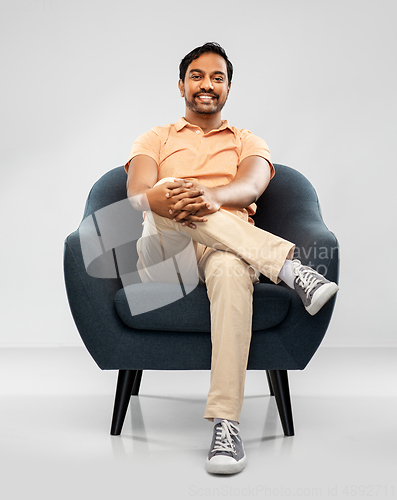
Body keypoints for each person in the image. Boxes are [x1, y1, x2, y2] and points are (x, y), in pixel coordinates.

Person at [124, 42, 339, 475]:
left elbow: (252, 187)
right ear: (182, 84)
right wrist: (176, 195)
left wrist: (211, 196)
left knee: (229, 265)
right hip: (167, 255)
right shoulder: (155, 137)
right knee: (168, 191)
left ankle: (226, 425)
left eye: (217, 77)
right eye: (198, 76)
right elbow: (137, 197)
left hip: (229, 250)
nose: (207, 85)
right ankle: (291, 269)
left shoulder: (247, 140)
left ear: (228, 88)